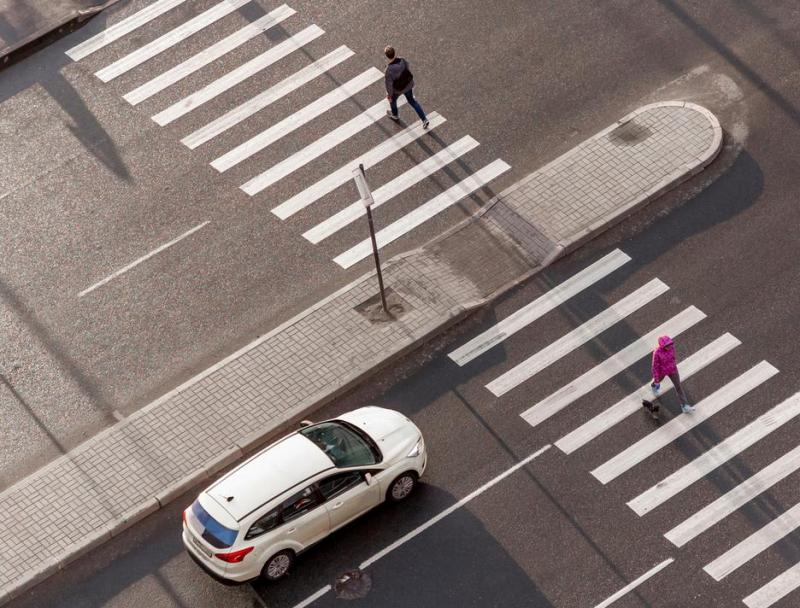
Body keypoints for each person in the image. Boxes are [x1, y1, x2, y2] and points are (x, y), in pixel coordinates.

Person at [642, 335, 695, 416]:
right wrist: (656, 380)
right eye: (667, 345)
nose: (669, 346)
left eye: (670, 344)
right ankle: (654, 386)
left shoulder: (671, 348)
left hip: (673, 370)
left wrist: (673, 365)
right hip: (662, 372)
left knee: (678, 387)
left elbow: (673, 358)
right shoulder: (657, 352)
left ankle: (685, 406)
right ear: (663, 345)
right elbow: (654, 367)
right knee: (657, 382)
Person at [383, 46, 429, 129]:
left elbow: (388, 85)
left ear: (387, 56)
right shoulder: (402, 60)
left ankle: (395, 115)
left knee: (392, 101)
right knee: (412, 101)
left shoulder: (388, 70)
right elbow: (407, 67)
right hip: (407, 85)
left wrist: (389, 95)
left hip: (397, 90)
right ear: (394, 52)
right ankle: (424, 119)